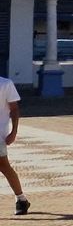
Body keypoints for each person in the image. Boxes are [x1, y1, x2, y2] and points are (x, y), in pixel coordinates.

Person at [1, 73, 28, 215]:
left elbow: (14, 109)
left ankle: (21, 198)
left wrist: (14, 131)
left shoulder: (5, 84)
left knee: (4, 166)